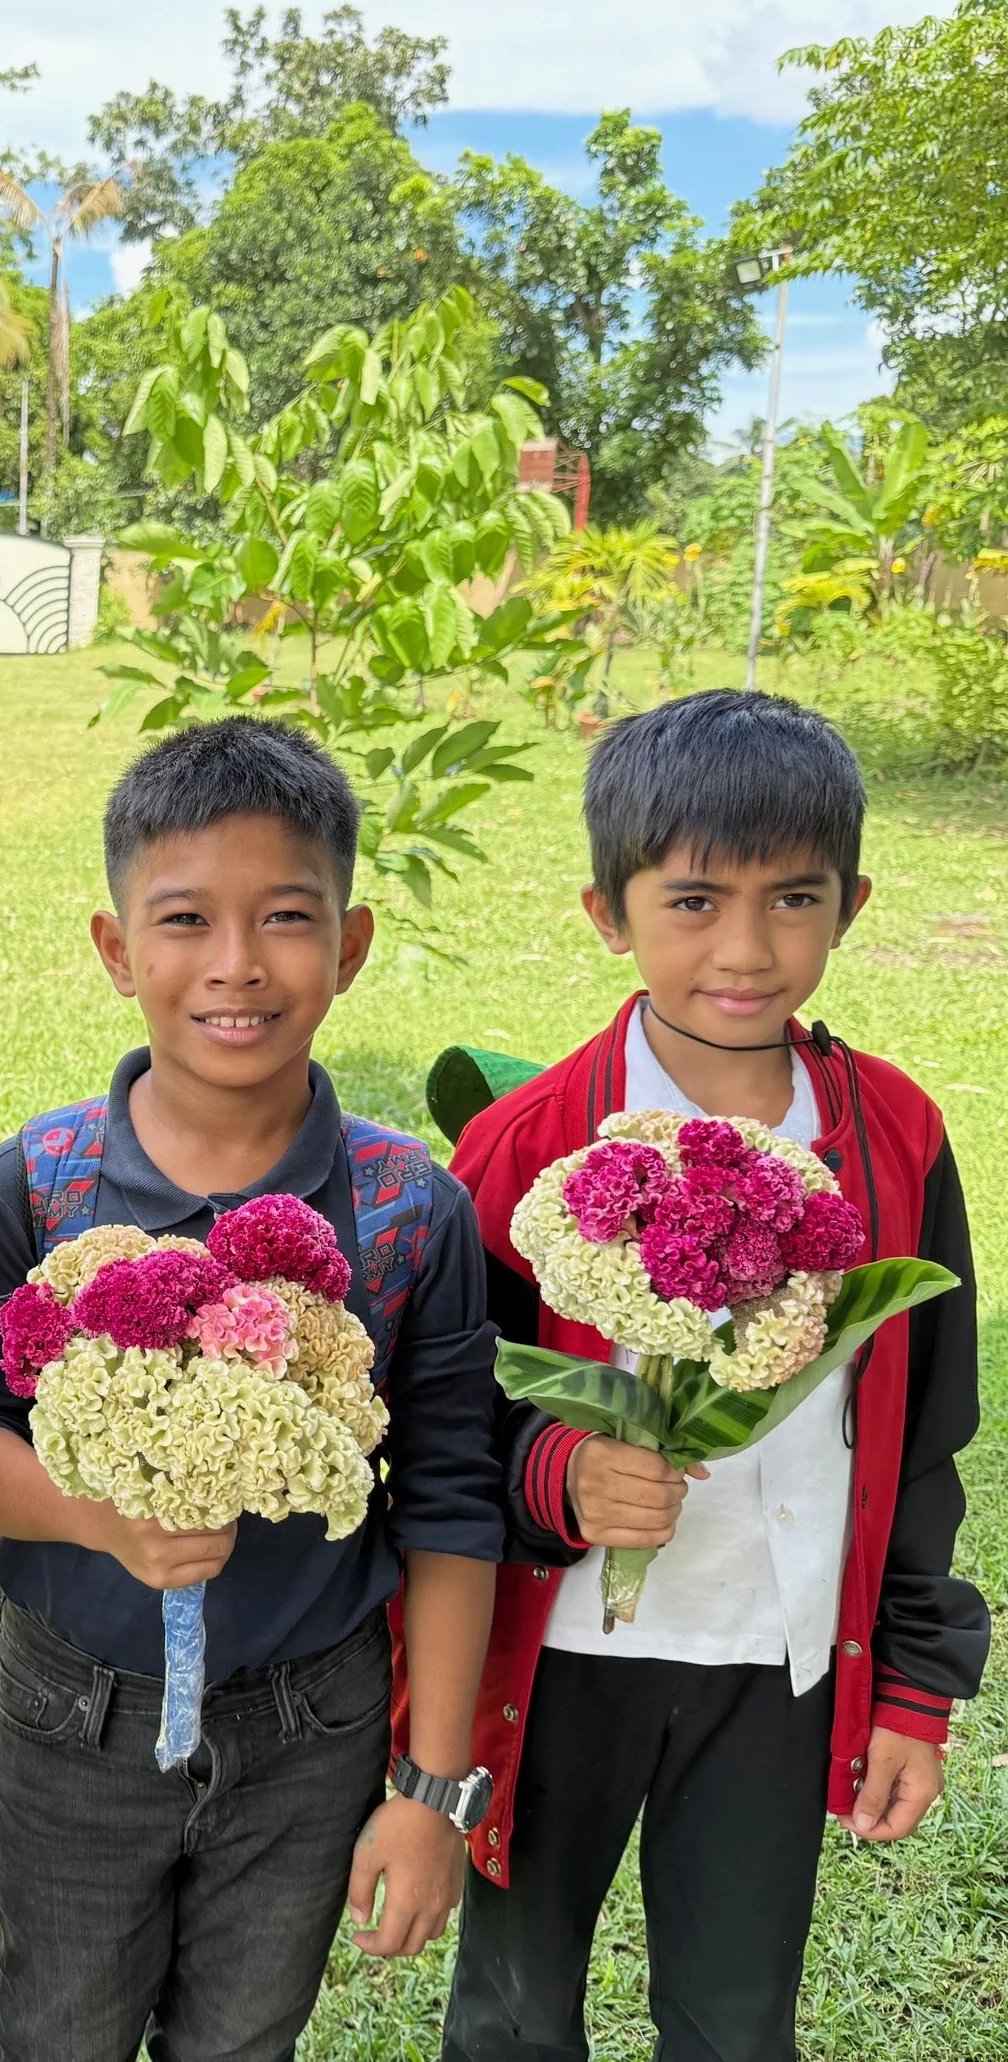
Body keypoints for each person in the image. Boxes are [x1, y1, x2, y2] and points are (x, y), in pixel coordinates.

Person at [0, 716, 508, 2062]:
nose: (237, 963)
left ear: (349, 944)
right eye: (185, 918)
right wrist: (98, 1516)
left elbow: (457, 1503)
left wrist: (430, 1787)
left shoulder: (408, 1211)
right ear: (118, 948)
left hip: (313, 1727)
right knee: (54, 2029)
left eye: (287, 916)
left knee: (246, 2040)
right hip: (74, 1709)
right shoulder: (44, 1183)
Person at [443, 689, 989, 2062]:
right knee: (513, 2014)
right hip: (560, 1659)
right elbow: (449, 1424)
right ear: (606, 910)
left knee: (739, 2021)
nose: (746, 948)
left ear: (851, 904)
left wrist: (916, 1688)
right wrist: (560, 1472)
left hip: (777, 1656)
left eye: (793, 897)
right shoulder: (526, 1146)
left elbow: (928, 1435)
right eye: (693, 900)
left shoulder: (897, 1140)